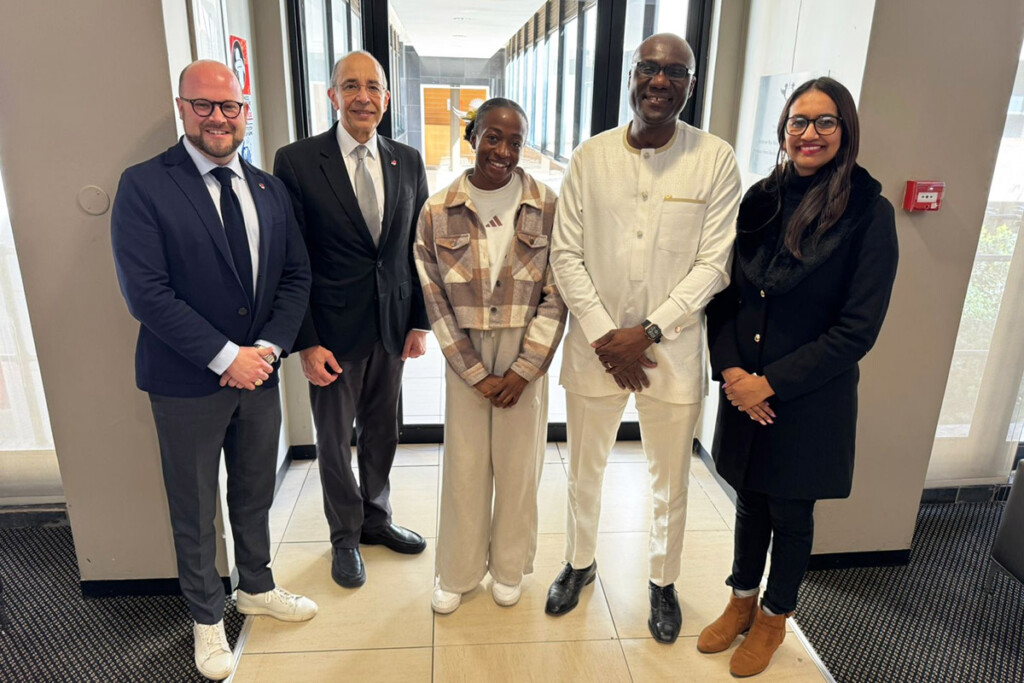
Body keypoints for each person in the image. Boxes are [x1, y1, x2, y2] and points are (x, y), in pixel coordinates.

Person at [110, 60, 316, 681]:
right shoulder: (145, 185)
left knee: (254, 491)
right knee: (195, 507)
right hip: (186, 382)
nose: (218, 118)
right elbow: (147, 294)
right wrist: (228, 357)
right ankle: (205, 618)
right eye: (204, 105)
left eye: (230, 106)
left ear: (244, 112)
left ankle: (256, 587)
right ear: (182, 108)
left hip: (260, 374)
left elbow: (295, 276)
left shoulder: (268, 188)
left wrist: (267, 351)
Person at [699, 76, 898, 677]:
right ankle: (740, 600)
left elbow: (857, 329)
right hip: (744, 385)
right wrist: (733, 371)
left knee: (789, 511)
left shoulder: (868, 213)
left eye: (824, 121)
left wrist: (770, 384)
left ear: (845, 130)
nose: (809, 133)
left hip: (808, 395)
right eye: (798, 121)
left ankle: (773, 618)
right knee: (748, 501)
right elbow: (724, 295)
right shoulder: (759, 199)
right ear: (784, 130)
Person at [547, 33, 742, 644]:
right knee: (584, 470)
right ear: (632, 75)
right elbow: (565, 254)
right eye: (649, 69)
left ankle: (663, 580)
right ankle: (579, 562)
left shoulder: (715, 159)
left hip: (672, 351)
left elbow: (715, 265)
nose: (660, 81)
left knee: (670, 480)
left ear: (690, 84)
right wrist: (609, 337)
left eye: (675, 72)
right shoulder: (590, 157)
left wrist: (649, 332)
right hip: (597, 351)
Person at [273, 51, 430, 590]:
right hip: (332, 335)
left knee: (383, 432)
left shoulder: (407, 160)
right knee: (335, 441)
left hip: (391, 327)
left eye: (373, 87)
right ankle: (344, 536)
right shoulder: (297, 161)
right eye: (351, 86)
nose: (364, 97)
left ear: (386, 97)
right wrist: (306, 341)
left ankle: (376, 519)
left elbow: (417, 249)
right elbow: (291, 259)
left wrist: (419, 322)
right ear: (332, 95)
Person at [414, 98, 567, 614]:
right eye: (493, 137)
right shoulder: (438, 210)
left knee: (519, 468)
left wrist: (525, 370)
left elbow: (557, 294)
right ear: (473, 137)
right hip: (466, 351)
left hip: (527, 347)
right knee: (465, 466)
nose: (503, 151)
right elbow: (434, 299)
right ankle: (458, 572)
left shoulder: (547, 205)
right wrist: (475, 373)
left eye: (515, 141)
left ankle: (509, 567)